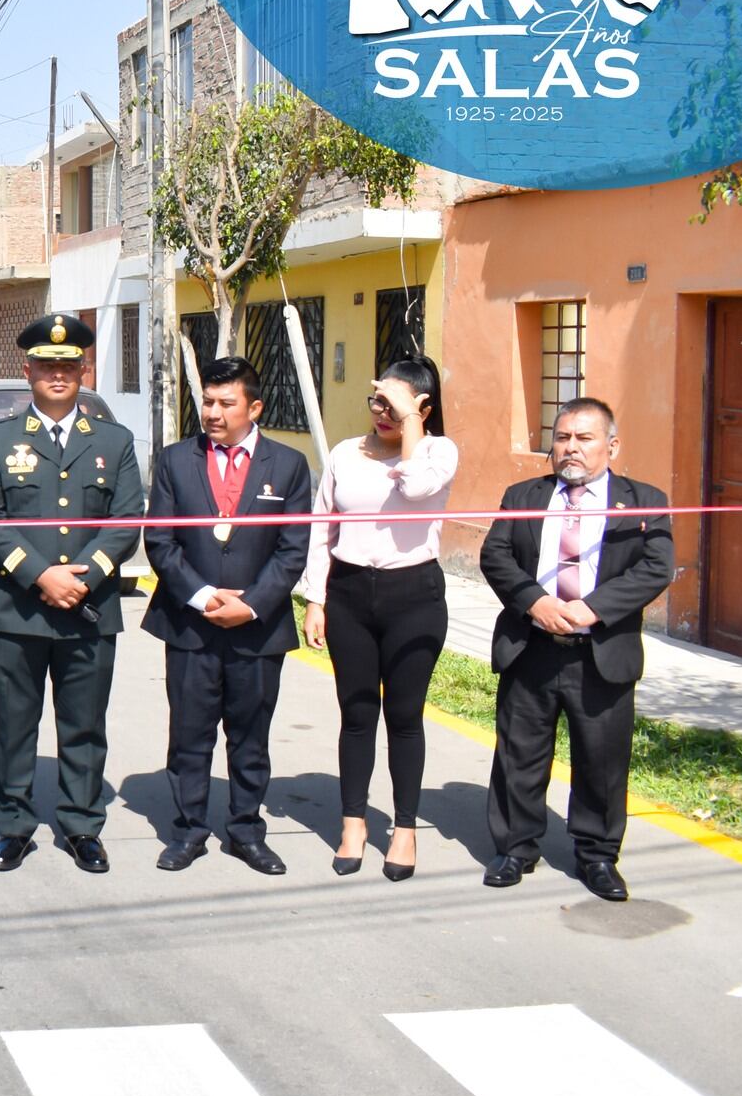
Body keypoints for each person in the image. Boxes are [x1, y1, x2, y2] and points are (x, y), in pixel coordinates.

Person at [0, 314, 144, 876]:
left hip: (90, 609)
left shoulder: (114, 441)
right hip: (17, 610)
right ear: (28, 371)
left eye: (69, 365)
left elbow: (126, 521)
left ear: (84, 371)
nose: (58, 374)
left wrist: (84, 577)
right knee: (14, 724)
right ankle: (13, 825)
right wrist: (42, 576)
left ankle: (82, 825)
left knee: (84, 726)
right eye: (47, 365)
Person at [478, 397, 671, 901]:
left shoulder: (643, 500)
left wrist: (595, 609)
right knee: (519, 754)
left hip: (600, 652)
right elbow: (496, 555)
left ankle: (597, 856)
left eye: (584, 438)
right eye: (562, 437)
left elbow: (656, 567)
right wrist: (534, 602)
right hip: (532, 646)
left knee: (602, 761)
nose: (571, 448)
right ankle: (516, 847)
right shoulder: (524, 495)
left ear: (612, 445)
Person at [141, 355, 313, 875]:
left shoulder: (288, 465)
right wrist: (202, 597)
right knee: (189, 735)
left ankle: (246, 831)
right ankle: (188, 831)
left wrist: (252, 603)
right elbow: (161, 541)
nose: (213, 413)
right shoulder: (176, 460)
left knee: (250, 737)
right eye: (207, 402)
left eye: (225, 403)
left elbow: (293, 549)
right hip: (190, 624)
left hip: (257, 628)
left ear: (254, 408)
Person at [300, 357, 458, 881]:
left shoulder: (438, 453)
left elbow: (414, 488)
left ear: (423, 409)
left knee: (405, 716)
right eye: (378, 402)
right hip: (349, 594)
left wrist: (410, 424)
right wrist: (316, 599)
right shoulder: (346, 453)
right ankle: (353, 823)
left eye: (394, 405)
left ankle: (405, 828)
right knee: (357, 712)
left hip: (413, 596)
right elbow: (322, 527)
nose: (382, 413)